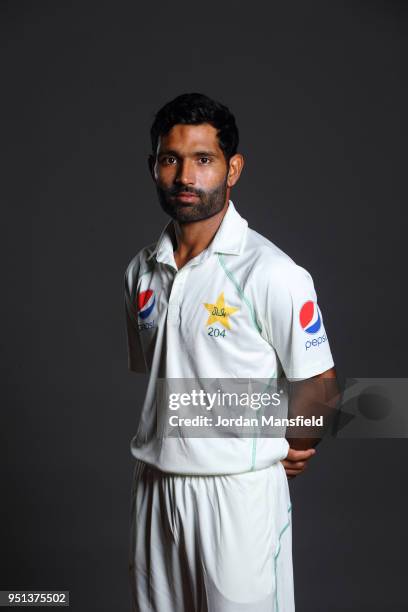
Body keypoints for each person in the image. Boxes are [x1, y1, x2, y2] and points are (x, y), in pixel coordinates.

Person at [124, 92, 337, 611]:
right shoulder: (140, 271)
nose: (184, 176)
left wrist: (288, 445)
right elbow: (167, 379)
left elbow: (320, 384)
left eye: (203, 159)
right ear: (153, 167)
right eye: (171, 159)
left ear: (232, 168)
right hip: (156, 488)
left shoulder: (271, 272)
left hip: (237, 495)